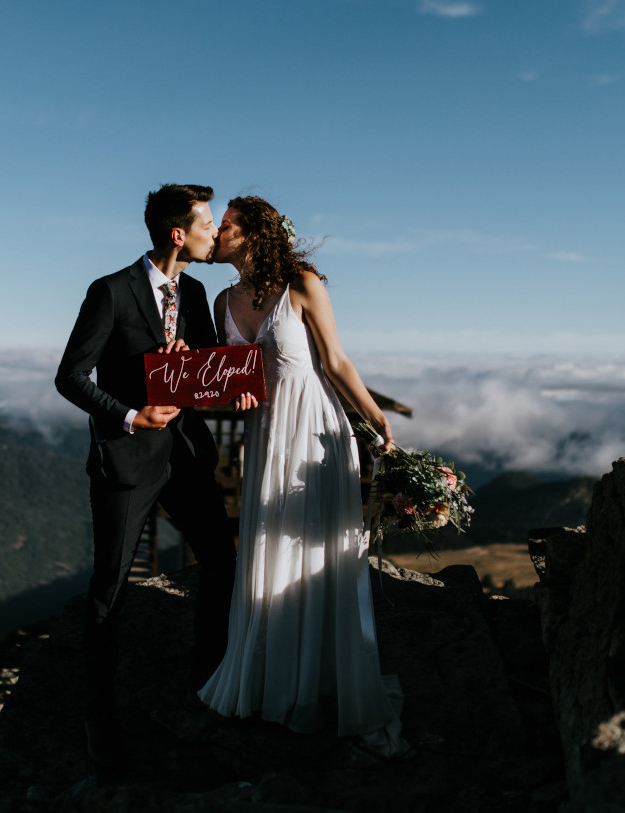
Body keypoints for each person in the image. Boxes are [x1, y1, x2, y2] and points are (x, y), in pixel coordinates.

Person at [197, 194, 407, 757]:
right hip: (266, 436)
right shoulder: (222, 299)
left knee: (319, 550)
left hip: (316, 429)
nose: (216, 232)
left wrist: (377, 420)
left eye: (228, 225)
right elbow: (232, 376)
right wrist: (230, 393)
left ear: (255, 233)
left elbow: (336, 362)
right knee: (269, 545)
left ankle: (323, 681)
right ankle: (271, 680)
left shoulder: (304, 283)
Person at [55, 183, 246, 768]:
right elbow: (71, 377)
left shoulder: (195, 291)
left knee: (222, 562)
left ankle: (208, 681)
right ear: (176, 233)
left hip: (187, 455)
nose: (215, 233)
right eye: (207, 223)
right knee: (109, 588)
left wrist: (206, 371)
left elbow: (206, 373)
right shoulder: (110, 292)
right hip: (128, 459)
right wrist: (131, 414)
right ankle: (100, 715)